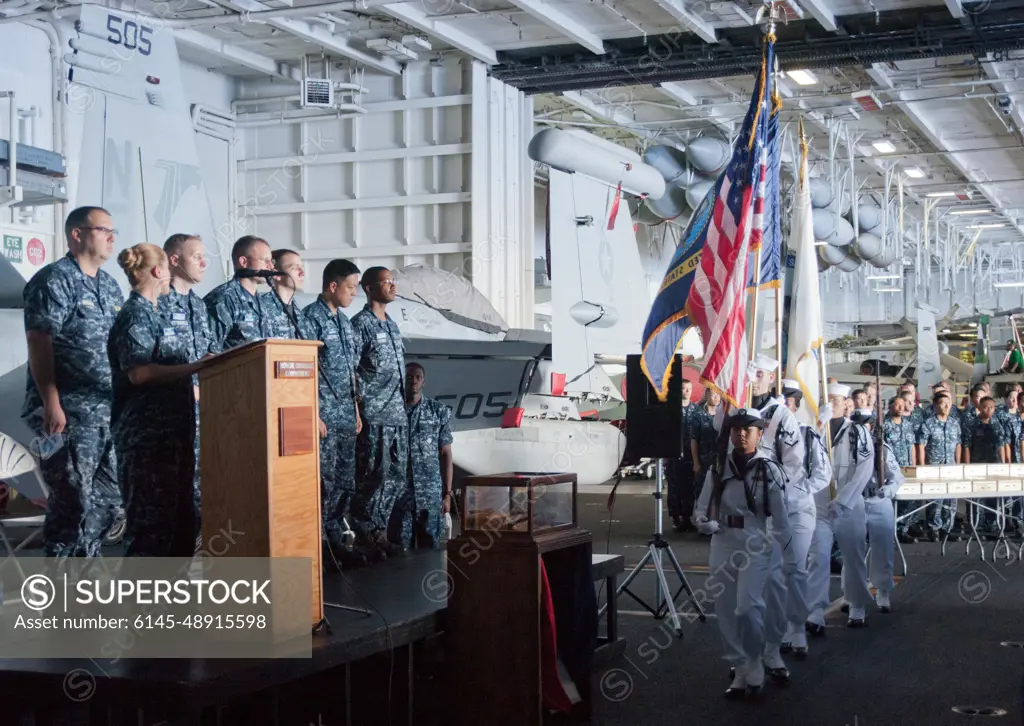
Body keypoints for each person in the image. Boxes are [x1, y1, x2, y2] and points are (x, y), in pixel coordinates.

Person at [22, 206, 125, 557]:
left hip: (106, 412)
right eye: (103, 229)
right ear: (77, 234)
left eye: (114, 231)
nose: (112, 237)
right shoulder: (53, 280)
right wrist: (50, 400)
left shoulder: (110, 287)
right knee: (71, 501)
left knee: (107, 500)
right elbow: (39, 340)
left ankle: (88, 580)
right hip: (66, 413)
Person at [108, 244, 204, 557]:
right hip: (147, 440)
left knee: (179, 525)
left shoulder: (156, 314)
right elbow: (139, 373)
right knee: (150, 530)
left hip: (174, 436)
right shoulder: (135, 315)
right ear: (157, 271)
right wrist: (195, 368)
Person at [694, 408, 792, 699]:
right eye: (736, 429)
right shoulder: (718, 466)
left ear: (760, 434)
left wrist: (790, 555)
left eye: (748, 430)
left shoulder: (769, 469)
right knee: (724, 607)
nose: (741, 434)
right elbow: (700, 508)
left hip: (755, 539)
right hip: (723, 538)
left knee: (747, 607)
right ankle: (739, 666)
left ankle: (754, 659)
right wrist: (703, 522)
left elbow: (782, 518)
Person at [744, 355, 806, 678]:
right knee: (741, 594)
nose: (753, 379)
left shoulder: (782, 416)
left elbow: (794, 464)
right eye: (749, 373)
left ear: (772, 379)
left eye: (759, 374)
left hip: (770, 512)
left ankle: (772, 649)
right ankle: (746, 657)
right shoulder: (737, 411)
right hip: (740, 512)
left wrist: (776, 495)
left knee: (774, 583)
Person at [302, 259, 366, 568]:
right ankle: (321, 546)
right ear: (333, 286)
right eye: (351, 287)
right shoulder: (309, 320)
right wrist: (313, 413)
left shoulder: (344, 322)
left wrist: (355, 410)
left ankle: (337, 540)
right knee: (323, 482)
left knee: (344, 483)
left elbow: (351, 372)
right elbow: (303, 371)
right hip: (323, 417)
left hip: (344, 417)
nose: (354, 293)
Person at [159, 233, 219, 543]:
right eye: (196, 256)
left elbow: (212, 354)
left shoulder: (198, 304)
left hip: (201, 418)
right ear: (174, 260)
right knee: (164, 509)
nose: (204, 262)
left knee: (197, 503)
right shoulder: (155, 300)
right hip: (165, 421)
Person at [806, 385, 875, 632]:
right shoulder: (812, 432)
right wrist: (817, 428)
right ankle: (815, 610)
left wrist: (844, 500)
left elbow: (865, 468)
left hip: (849, 504)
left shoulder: (857, 432)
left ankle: (856, 604)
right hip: (820, 504)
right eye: (826, 399)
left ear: (847, 404)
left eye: (836, 399)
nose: (831, 403)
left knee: (853, 556)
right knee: (818, 557)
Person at [351, 266, 408, 557]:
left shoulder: (392, 325)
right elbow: (351, 370)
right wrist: (358, 409)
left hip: (396, 413)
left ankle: (380, 530)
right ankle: (364, 534)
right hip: (373, 413)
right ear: (369, 288)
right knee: (374, 475)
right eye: (386, 282)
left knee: (395, 476)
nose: (392, 286)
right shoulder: (360, 324)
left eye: (393, 281)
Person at [776, 379, 832, 658]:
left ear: (795, 406)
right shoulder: (760, 432)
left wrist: (797, 491)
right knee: (771, 572)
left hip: (798, 509)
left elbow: (823, 473)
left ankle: (795, 627)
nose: (783, 405)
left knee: (795, 568)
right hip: (770, 512)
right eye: (779, 400)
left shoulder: (807, 433)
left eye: (788, 401)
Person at [396, 362, 454, 549]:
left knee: (430, 551)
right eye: (409, 376)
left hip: (429, 495)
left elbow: (446, 454)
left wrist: (447, 494)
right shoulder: (392, 413)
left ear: (424, 381)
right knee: (399, 551)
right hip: (400, 495)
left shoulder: (438, 412)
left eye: (417, 377)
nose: (413, 381)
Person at [203, 235, 277, 351]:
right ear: (244, 262)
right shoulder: (224, 298)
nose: (271, 266)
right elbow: (210, 351)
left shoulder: (261, 301)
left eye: (271, 261)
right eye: (265, 260)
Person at [863, 419, 904, 614]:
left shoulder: (883, 449)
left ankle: (883, 590)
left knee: (883, 547)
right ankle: (853, 593)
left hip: (878, 499)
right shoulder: (848, 447)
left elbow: (897, 477)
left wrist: (887, 490)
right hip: (856, 500)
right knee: (853, 549)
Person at [916, 391, 962, 541]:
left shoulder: (954, 423)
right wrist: (922, 466)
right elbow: (921, 445)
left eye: (948, 402)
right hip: (934, 466)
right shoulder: (928, 423)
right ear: (935, 406)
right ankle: (934, 528)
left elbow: (958, 444)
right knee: (936, 499)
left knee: (951, 499)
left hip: (950, 466)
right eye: (942, 403)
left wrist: (958, 463)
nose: (946, 405)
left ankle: (947, 528)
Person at [964, 396, 1006, 536]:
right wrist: (968, 465)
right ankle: (975, 524)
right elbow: (966, 447)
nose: (988, 410)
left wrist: (1004, 464)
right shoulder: (971, 424)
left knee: (993, 495)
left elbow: (1001, 446)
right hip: (977, 465)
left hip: (994, 464)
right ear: (980, 407)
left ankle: (992, 523)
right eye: (985, 407)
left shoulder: (997, 424)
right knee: (975, 496)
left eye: (991, 407)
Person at [884, 395, 919, 544]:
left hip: (907, 467)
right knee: (891, 500)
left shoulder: (908, 424)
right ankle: (889, 531)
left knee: (909, 499)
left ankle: (902, 529)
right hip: (891, 468)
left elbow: (912, 446)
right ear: (891, 407)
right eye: (897, 405)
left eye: (902, 405)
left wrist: (914, 464)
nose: (900, 408)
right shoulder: (885, 425)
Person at [667, 378, 696, 532]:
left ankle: (687, 518)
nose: (685, 391)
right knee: (674, 488)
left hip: (691, 457)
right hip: (673, 455)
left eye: (688, 389)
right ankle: (675, 517)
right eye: (683, 388)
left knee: (689, 489)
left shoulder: (696, 411)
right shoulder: (671, 410)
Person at [265, 248, 313, 339]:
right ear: (277, 275)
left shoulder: (300, 314)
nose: (302, 273)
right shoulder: (262, 309)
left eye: (301, 267)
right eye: (294, 268)